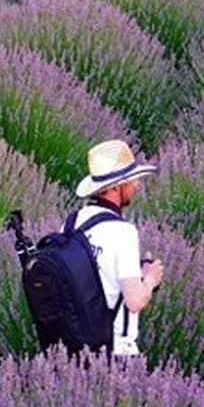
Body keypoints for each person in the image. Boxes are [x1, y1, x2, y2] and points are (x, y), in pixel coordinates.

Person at [71, 139, 163, 358]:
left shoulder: (71, 223)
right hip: (115, 352)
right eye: (130, 181)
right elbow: (135, 301)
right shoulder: (122, 232)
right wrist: (150, 279)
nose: (136, 185)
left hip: (72, 348)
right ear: (115, 187)